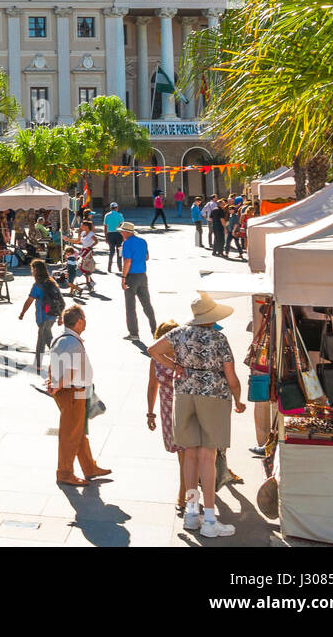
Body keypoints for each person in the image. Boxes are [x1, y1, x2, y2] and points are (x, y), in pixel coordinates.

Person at [148, 292, 245, 538]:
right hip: (213, 397)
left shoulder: (180, 333)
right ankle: (210, 519)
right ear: (212, 317)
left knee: (189, 455)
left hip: (184, 395)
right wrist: (238, 400)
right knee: (207, 457)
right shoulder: (219, 338)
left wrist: (175, 366)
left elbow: (153, 350)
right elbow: (231, 377)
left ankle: (191, 513)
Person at [46, 305, 110, 486]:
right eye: (85, 319)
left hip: (75, 391)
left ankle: (89, 467)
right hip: (73, 392)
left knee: (78, 430)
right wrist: (57, 385)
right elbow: (72, 371)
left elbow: (54, 364)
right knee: (70, 434)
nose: (86, 322)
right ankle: (65, 473)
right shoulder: (72, 343)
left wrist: (53, 382)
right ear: (79, 321)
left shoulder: (61, 339)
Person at [146, 319, 186, 511]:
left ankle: (183, 493)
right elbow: (152, 385)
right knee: (182, 451)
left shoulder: (184, 356)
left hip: (185, 407)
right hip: (168, 409)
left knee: (184, 452)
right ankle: (190, 486)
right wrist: (150, 413)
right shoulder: (156, 358)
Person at [19, 258, 63, 374]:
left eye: (32, 269)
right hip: (52, 316)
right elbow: (60, 299)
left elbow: (29, 300)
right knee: (42, 338)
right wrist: (60, 316)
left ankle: (61, 359)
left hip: (43, 317)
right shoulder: (51, 282)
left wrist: (22, 313)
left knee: (47, 339)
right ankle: (37, 364)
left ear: (35, 270)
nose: (31, 271)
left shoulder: (37, 285)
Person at [119, 221, 158, 340]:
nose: (120, 233)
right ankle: (155, 331)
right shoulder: (142, 241)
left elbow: (127, 261)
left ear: (126, 232)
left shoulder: (126, 244)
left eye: (121, 231)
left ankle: (134, 333)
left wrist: (123, 277)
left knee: (130, 307)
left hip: (131, 277)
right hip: (142, 275)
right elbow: (147, 257)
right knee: (147, 304)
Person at [103, 202, 124, 272]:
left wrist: (105, 237)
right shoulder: (120, 215)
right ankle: (120, 267)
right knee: (119, 251)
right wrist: (123, 236)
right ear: (117, 208)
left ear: (111, 208)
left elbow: (105, 227)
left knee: (111, 251)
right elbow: (122, 226)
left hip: (110, 235)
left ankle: (109, 267)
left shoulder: (107, 215)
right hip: (119, 235)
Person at [77, 222, 98, 294]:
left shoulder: (91, 234)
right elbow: (78, 241)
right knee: (82, 266)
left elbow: (96, 241)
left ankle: (90, 282)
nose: (81, 226)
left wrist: (91, 247)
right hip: (83, 250)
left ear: (86, 226)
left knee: (84, 267)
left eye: (82, 225)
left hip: (88, 251)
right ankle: (90, 282)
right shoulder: (83, 233)